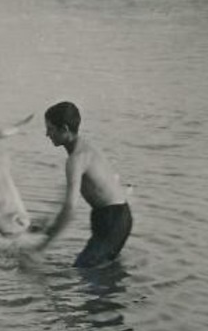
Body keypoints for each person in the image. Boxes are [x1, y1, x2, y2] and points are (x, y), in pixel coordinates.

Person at [20, 102, 133, 267]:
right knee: (102, 271)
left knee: (84, 271)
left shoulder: (76, 159)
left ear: (64, 129)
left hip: (112, 220)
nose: (47, 134)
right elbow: (67, 195)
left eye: (50, 129)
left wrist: (40, 249)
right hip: (117, 216)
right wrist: (48, 223)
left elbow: (70, 210)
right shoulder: (85, 148)